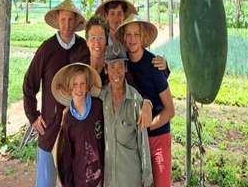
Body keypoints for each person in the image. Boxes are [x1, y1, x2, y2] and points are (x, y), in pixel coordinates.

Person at [23, 0, 86, 187]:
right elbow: (29, 83)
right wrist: (33, 115)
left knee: (75, 180)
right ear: (57, 21)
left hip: (78, 127)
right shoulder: (46, 49)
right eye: (63, 20)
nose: (67, 25)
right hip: (50, 126)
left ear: (75, 21)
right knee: (45, 182)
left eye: (70, 20)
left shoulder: (83, 47)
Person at [114, 14, 175, 187]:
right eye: (128, 35)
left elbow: (170, 110)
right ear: (124, 38)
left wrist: (147, 126)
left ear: (143, 37)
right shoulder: (124, 65)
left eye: (136, 34)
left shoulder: (154, 65)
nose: (132, 39)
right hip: (136, 141)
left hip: (158, 137)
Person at [71, 15, 152, 131]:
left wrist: (147, 102)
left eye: (101, 38)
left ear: (106, 40)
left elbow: (134, 89)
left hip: (109, 130)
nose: (97, 44)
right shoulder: (81, 68)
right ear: (87, 42)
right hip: (84, 129)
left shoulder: (114, 67)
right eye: (93, 38)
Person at [99, 44, 152, 187]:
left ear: (126, 69)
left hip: (130, 180)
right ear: (106, 70)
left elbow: (143, 144)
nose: (116, 73)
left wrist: (147, 181)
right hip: (109, 181)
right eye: (112, 67)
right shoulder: (102, 98)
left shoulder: (136, 101)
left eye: (120, 67)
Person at [51, 63, 104, 187]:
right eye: (74, 84)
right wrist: (68, 183)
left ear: (87, 86)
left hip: (100, 178)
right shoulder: (68, 119)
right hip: (79, 179)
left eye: (82, 84)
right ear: (69, 88)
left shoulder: (98, 107)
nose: (79, 89)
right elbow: (67, 155)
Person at [94, 0, 169, 74]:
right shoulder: (101, 42)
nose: (116, 18)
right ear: (106, 16)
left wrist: (164, 65)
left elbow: (143, 57)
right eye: (112, 14)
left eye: (119, 14)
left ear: (124, 16)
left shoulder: (130, 40)